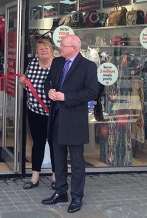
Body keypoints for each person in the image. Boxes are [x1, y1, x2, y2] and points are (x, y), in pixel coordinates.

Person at [42, 35, 97, 214]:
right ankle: (60, 191)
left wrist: (67, 97)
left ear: (74, 48)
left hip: (74, 120)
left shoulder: (88, 66)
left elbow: (91, 92)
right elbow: (48, 81)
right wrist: (49, 90)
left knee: (76, 161)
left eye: (63, 46)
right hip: (57, 117)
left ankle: (77, 196)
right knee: (58, 158)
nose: (60, 48)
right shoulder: (58, 62)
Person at [19, 38, 56, 189]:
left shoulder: (58, 64)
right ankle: (35, 176)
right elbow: (27, 87)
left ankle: (56, 176)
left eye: (46, 47)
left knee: (55, 145)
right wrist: (22, 83)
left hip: (54, 112)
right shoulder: (33, 64)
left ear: (52, 49)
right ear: (36, 52)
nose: (43, 50)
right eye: (40, 48)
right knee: (38, 144)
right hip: (35, 111)